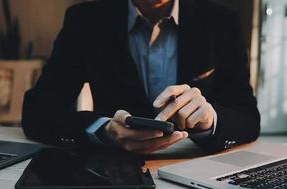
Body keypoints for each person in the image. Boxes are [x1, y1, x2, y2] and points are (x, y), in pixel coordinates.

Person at [22, 0, 260, 154]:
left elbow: (247, 117)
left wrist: (211, 120)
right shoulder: (85, 21)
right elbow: (38, 111)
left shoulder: (220, 22)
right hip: (114, 173)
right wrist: (103, 130)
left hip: (195, 171)